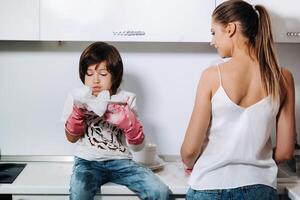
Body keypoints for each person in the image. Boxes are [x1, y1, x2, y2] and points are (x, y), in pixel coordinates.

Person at [180, 1, 296, 199]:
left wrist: (191, 163)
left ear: (230, 29)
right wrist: (256, 163)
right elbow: (285, 152)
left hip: (209, 185)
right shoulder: (283, 78)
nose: (212, 41)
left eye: (214, 32)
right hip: (260, 187)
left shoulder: (212, 75)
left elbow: (189, 151)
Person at [61, 42, 170, 200]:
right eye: (89, 73)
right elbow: (71, 138)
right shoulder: (77, 98)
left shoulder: (126, 99)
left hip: (121, 161)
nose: (95, 80)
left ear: (115, 75)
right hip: (87, 162)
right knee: (79, 195)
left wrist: (130, 124)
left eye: (103, 74)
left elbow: (137, 147)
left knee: (159, 191)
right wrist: (77, 114)